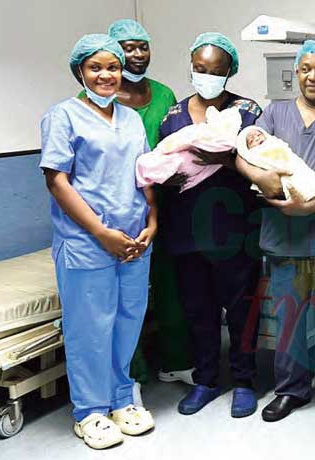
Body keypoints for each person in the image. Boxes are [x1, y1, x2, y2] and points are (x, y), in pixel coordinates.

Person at [236, 40, 315, 426]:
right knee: (289, 319)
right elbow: (244, 153)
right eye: (306, 68)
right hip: (283, 237)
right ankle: (291, 389)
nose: (313, 76)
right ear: (296, 71)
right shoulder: (274, 113)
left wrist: (310, 206)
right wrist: (260, 176)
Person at [39, 34, 156, 449]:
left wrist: (152, 220)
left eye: (113, 67)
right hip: (87, 241)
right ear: (80, 72)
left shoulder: (131, 119)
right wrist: (101, 232)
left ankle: (121, 399)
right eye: (96, 68)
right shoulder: (63, 116)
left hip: (134, 239)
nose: (106, 75)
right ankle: (89, 411)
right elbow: (57, 180)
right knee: (90, 327)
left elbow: (145, 173)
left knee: (128, 319)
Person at [160, 32, 264, 419]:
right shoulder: (173, 116)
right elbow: (163, 159)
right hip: (186, 230)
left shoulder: (247, 111)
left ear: (230, 71)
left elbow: (262, 160)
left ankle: (244, 381)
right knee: (198, 311)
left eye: (216, 71)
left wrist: (222, 158)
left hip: (235, 229)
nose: (206, 76)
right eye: (199, 69)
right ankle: (205, 380)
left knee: (241, 311)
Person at [105, 18, 193, 387]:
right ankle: (131, 373)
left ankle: (176, 361)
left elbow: (176, 145)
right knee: (125, 296)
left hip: (166, 205)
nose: (138, 54)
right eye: (128, 47)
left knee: (171, 287)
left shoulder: (164, 95)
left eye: (143, 46)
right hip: (118, 209)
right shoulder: (96, 99)